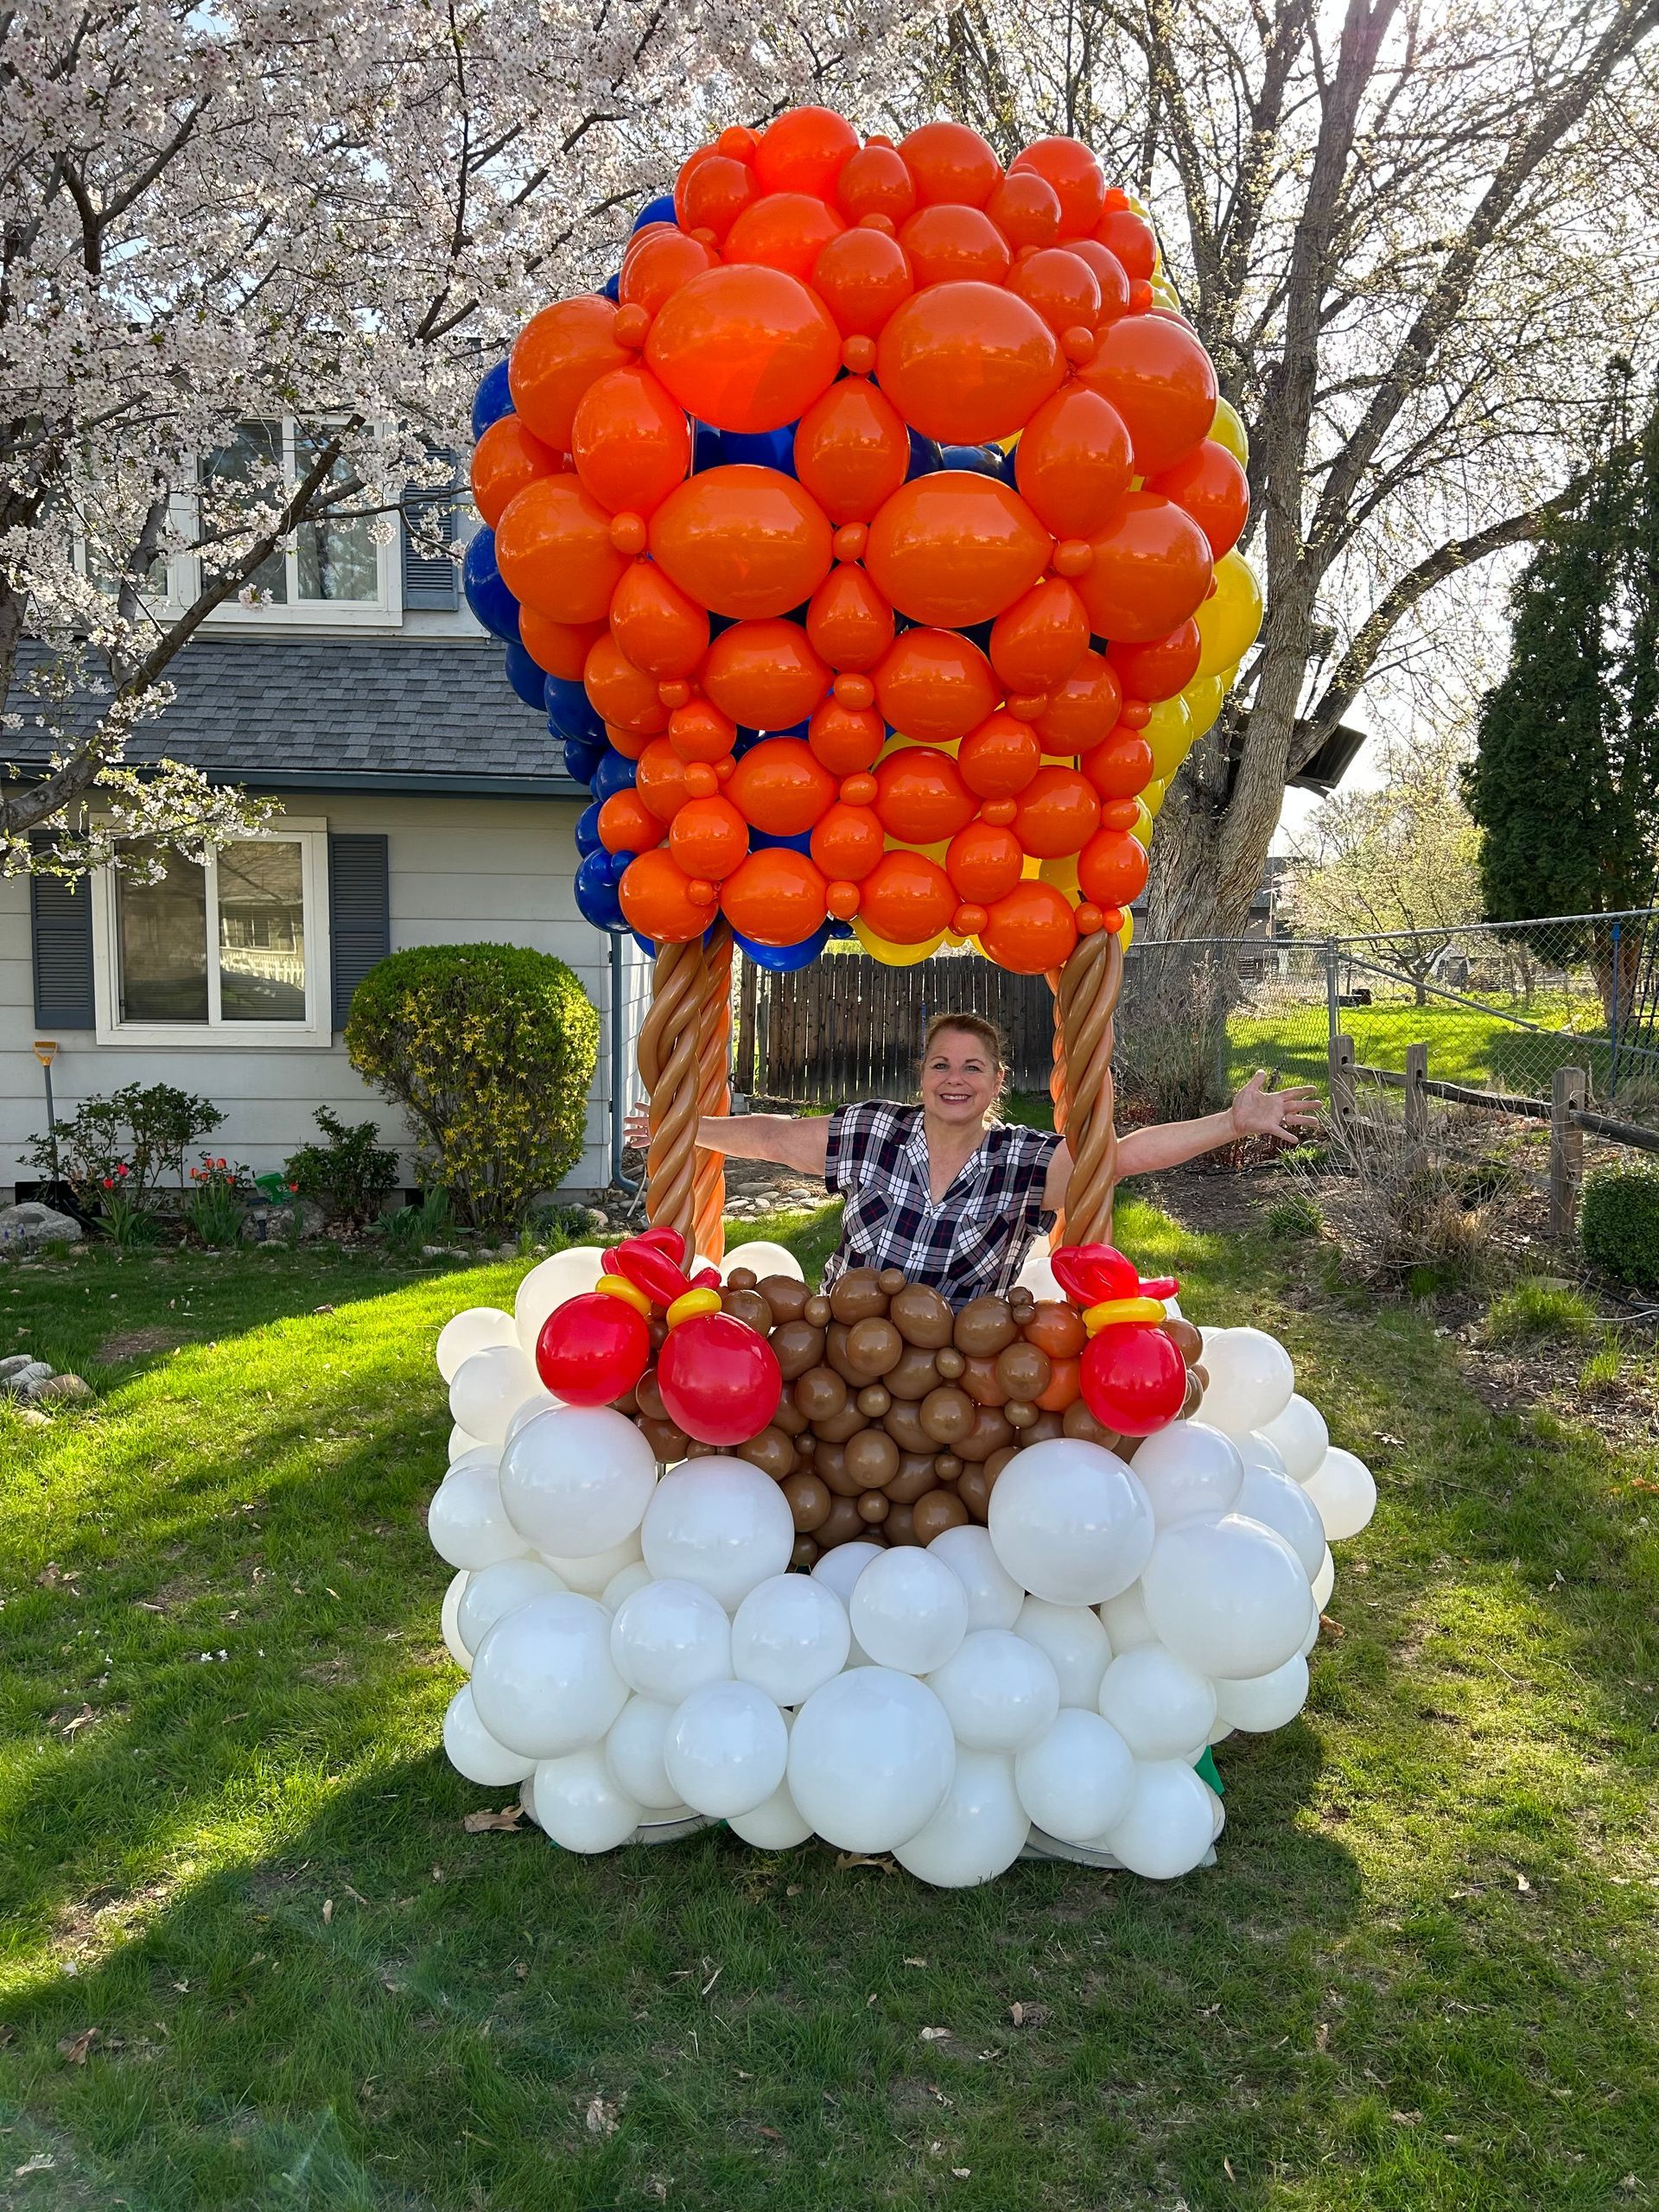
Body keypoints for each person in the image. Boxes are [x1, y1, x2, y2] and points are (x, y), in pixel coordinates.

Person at [626, 1010, 1319, 1302]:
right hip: (840, 1348)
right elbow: (775, 1136)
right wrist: (684, 1131)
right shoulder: (874, 1132)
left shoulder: (1020, 1161)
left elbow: (1124, 1157)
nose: (954, 1078)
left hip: (958, 1369)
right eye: (940, 1065)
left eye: (972, 1067)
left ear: (994, 1081)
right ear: (922, 1076)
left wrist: (1231, 1123)